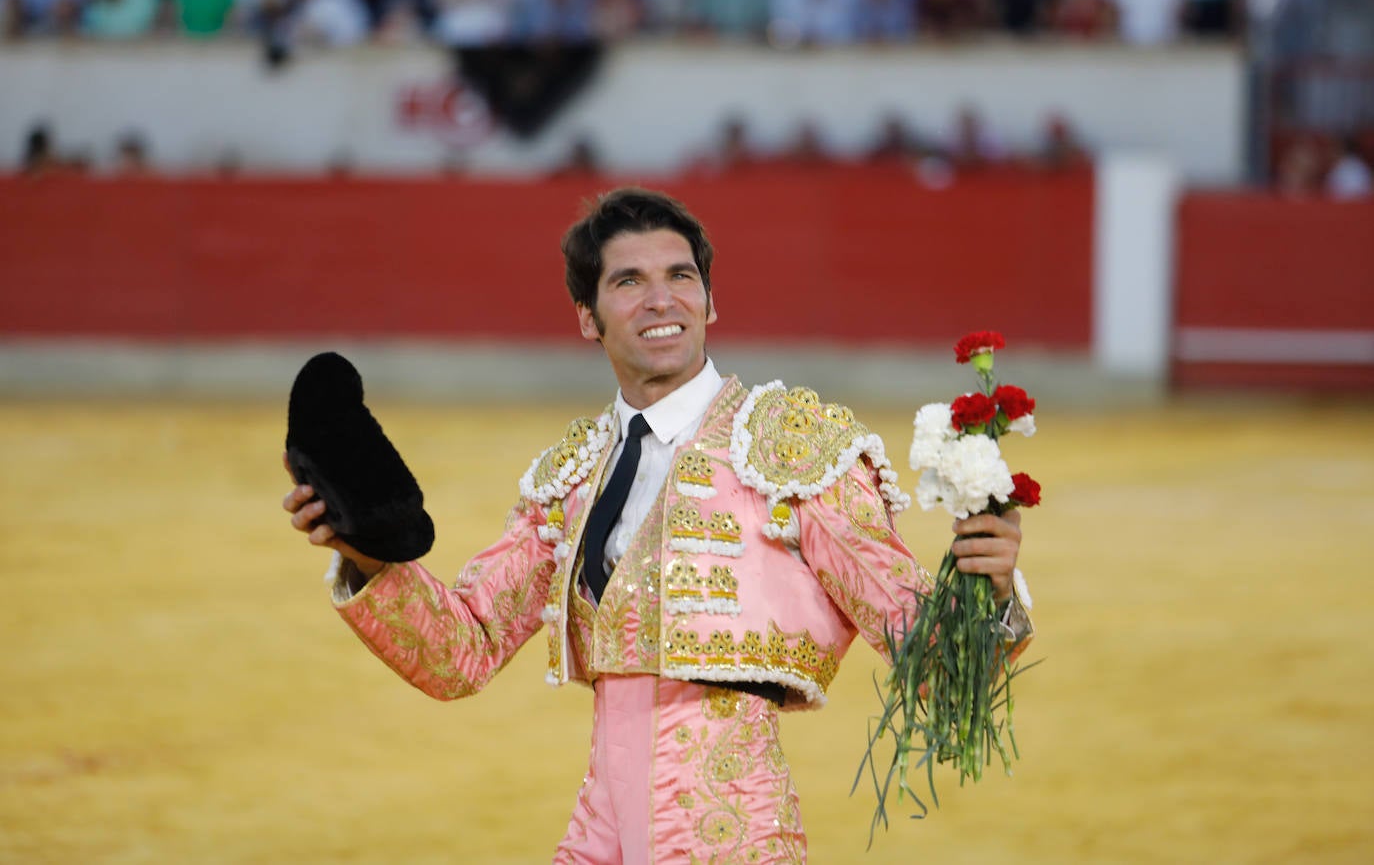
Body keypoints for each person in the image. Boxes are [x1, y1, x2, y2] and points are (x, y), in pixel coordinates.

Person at [282, 187, 1033, 863]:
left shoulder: (793, 448)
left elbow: (929, 661)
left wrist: (992, 594)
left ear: (710, 301)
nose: (661, 299)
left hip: (729, 828)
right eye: (628, 281)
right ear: (588, 316)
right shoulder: (570, 475)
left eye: (681, 276)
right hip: (600, 829)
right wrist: (369, 556)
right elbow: (460, 652)